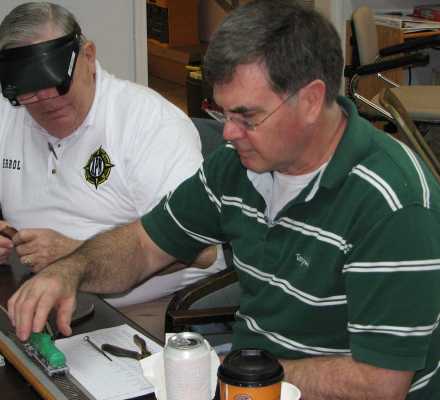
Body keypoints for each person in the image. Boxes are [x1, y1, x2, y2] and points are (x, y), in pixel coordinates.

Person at [8, 1, 440, 398]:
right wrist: (71, 270)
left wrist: (242, 376)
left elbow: (381, 383)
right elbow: (143, 245)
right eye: (222, 113)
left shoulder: (392, 203)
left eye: (247, 116)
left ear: (310, 101)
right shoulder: (237, 167)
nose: (228, 134)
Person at [0, 2, 224, 309]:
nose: (45, 99)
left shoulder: (149, 123)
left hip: (142, 305)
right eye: (29, 91)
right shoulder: (8, 113)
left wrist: (76, 256)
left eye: (56, 83)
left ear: (88, 57)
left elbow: (203, 248)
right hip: (32, 289)